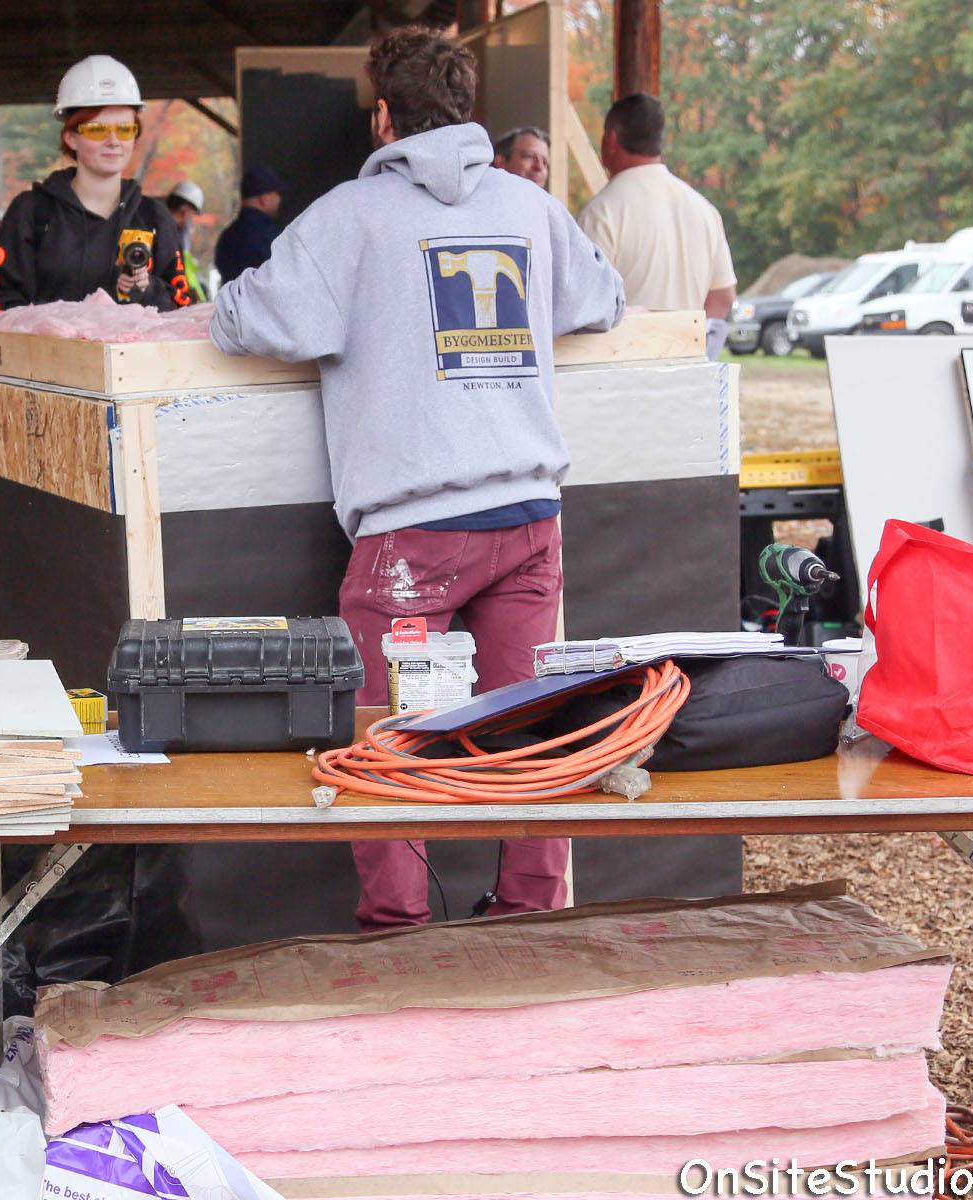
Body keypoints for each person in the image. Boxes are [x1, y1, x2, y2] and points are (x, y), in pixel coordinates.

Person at [210, 26, 624, 931]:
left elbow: (249, 320)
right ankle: (530, 915)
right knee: (533, 730)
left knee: (387, 735)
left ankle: (398, 930)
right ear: (468, 112)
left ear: (383, 118)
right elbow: (605, 299)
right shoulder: (529, 207)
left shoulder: (348, 218)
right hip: (529, 519)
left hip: (416, 532)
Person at [0, 54, 192, 312]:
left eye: (125, 129)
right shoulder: (32, 212)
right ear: (70, 137)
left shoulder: (153, 217)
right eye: (97, 130)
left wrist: (147, 290)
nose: (114, 141)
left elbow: (183, 307)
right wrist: (47, 328)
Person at [577, 93, 736, 357]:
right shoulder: (704, 210)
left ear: (611, 139)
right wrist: (688, 343)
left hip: (623, 367)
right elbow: (723, 296)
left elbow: (587, 304)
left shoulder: (601, 212)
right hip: (686, 365)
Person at [213, 165, 284, 284]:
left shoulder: (227, 236)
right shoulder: (270, 236)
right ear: (265, 199)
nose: (279, 199)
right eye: (277, 194)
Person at [164, 179, 209, 301]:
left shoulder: (172, 233)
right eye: (193, 214)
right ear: (185, 210)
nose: (192, 220)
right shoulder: (169, 236)